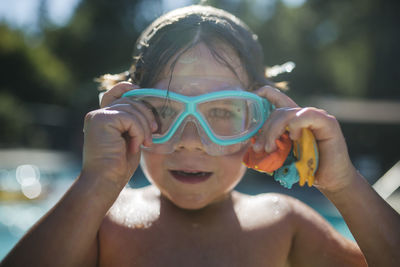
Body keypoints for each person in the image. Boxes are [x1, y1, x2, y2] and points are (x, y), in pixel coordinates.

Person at [1, 5, 399, 267]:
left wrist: (345, 185)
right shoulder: (101, 224)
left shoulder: (285, 227)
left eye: (222, 113)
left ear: (263, 122)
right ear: (123, 112)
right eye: (165, 110)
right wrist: (95, 184)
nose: (190, 140)